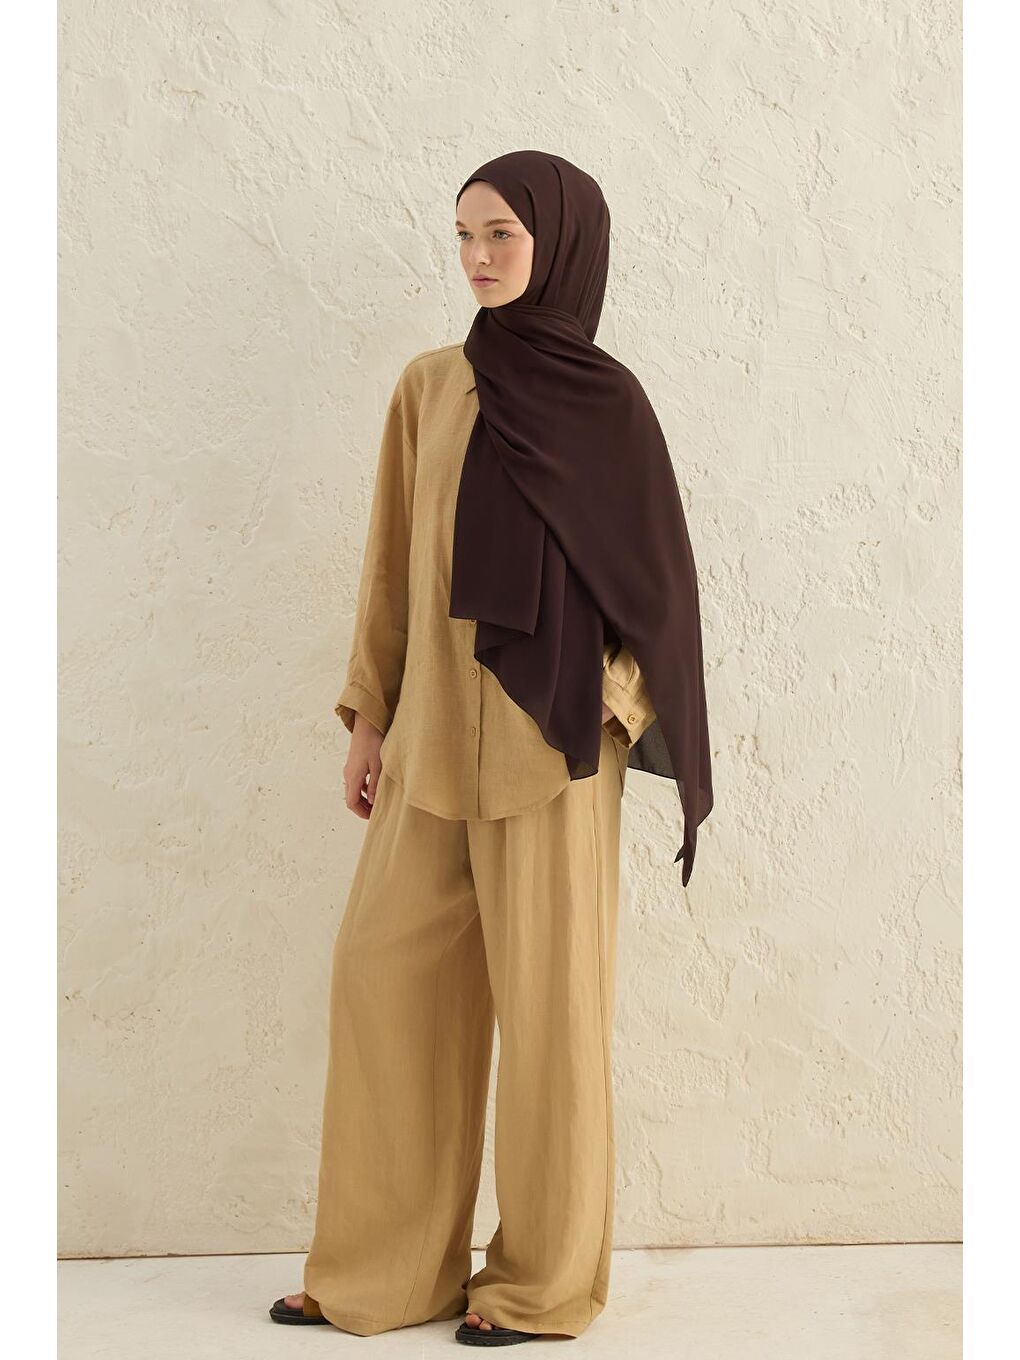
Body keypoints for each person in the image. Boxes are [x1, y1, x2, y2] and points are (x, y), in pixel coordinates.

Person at [269, 150, 711, 1346]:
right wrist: (370, 718)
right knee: (383, 985)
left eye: (501, 233)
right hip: (426, 754)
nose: (476, 256)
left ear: (557, 242)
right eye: (463, 233)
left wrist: (608, 712)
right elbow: (390, 567)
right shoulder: (429, 388)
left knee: (553, 1022)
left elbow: (660, 593)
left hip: (551, 757)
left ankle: (540, 1285)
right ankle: (384, 1269)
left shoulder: (608, 406)